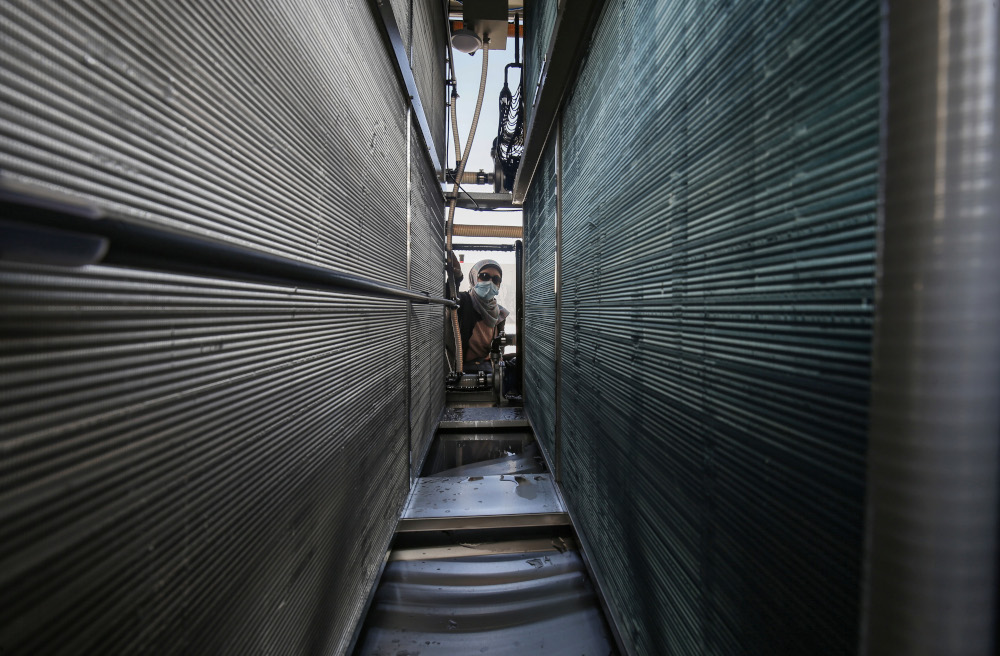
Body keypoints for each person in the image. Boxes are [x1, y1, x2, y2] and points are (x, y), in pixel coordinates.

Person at [456, 259, 509, 372]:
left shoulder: (500, 313)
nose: (490, 282)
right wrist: (457, 277)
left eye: (496, 279)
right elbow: (446, 295)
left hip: (488, 365)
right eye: (484, 276)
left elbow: (500, 348)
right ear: (474, 278)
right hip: (463, 369)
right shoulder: (463, 301)